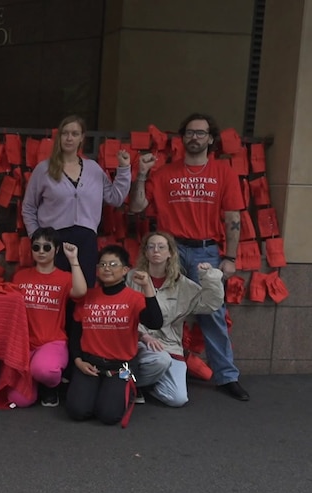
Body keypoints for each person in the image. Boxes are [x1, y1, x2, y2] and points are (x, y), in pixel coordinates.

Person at [128, 112, 249, 401]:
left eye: (201, 133)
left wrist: (230, 257)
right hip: (169, 249)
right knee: (153, 306)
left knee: (214, 313)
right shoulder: (164, 173)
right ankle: (146, 368)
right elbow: (136, 206)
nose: (194, 138)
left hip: (206, 249)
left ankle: (226, 377)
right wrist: (142, 173)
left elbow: (233, 217)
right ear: (183, 138)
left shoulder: (224, 172)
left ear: (211, 139)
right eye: (190, 133)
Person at [22, 115, 132, 287]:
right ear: (59, 137)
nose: (69, 138)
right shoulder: (44, 169)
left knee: (83, 290)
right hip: (54, 239)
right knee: (55, 289)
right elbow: (29, 207)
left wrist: (124, 169)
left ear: (82, 137)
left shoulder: (93, 169)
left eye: (74, 133)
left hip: (85, 239)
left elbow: (115, 198)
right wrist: (37, 237)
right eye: (65, 133)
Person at [66, 245, 163, 426]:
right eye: (102, 264)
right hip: (90, 363)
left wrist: (147, 287)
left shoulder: (134, 298)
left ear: (125, 270)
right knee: (77, 411)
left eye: (113, 264)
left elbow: (155, 322)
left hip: (121, 367)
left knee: (109, 415)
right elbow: (75, 334)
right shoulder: (88, 296)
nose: (107, 268)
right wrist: (78, 361)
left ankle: (127, 390)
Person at [127, 232, 225, 407]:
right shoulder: (133, 277)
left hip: (169, 345)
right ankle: (130, 384)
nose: (156, 250)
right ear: (146, 252)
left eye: (161, 247)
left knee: (178, 399)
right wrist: (143, 335)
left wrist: (209, 278)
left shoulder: (182, 284)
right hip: (138, 342)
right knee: (160, 360)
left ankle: (144, 384)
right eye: (151, 246)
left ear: (170, 253)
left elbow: (211, 304)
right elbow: (123, 312)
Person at [10, 227, 87, 407]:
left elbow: (81, 291)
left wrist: (73, 259)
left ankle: (50, 386)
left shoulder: (65, 277)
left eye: (47, 247)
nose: (41, 251)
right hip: (24, 344)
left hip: (52, 342)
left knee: (45, 371)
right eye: (36, 247)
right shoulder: (20, 276)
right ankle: (34, 379)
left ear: (56, 249)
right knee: (18, 401)